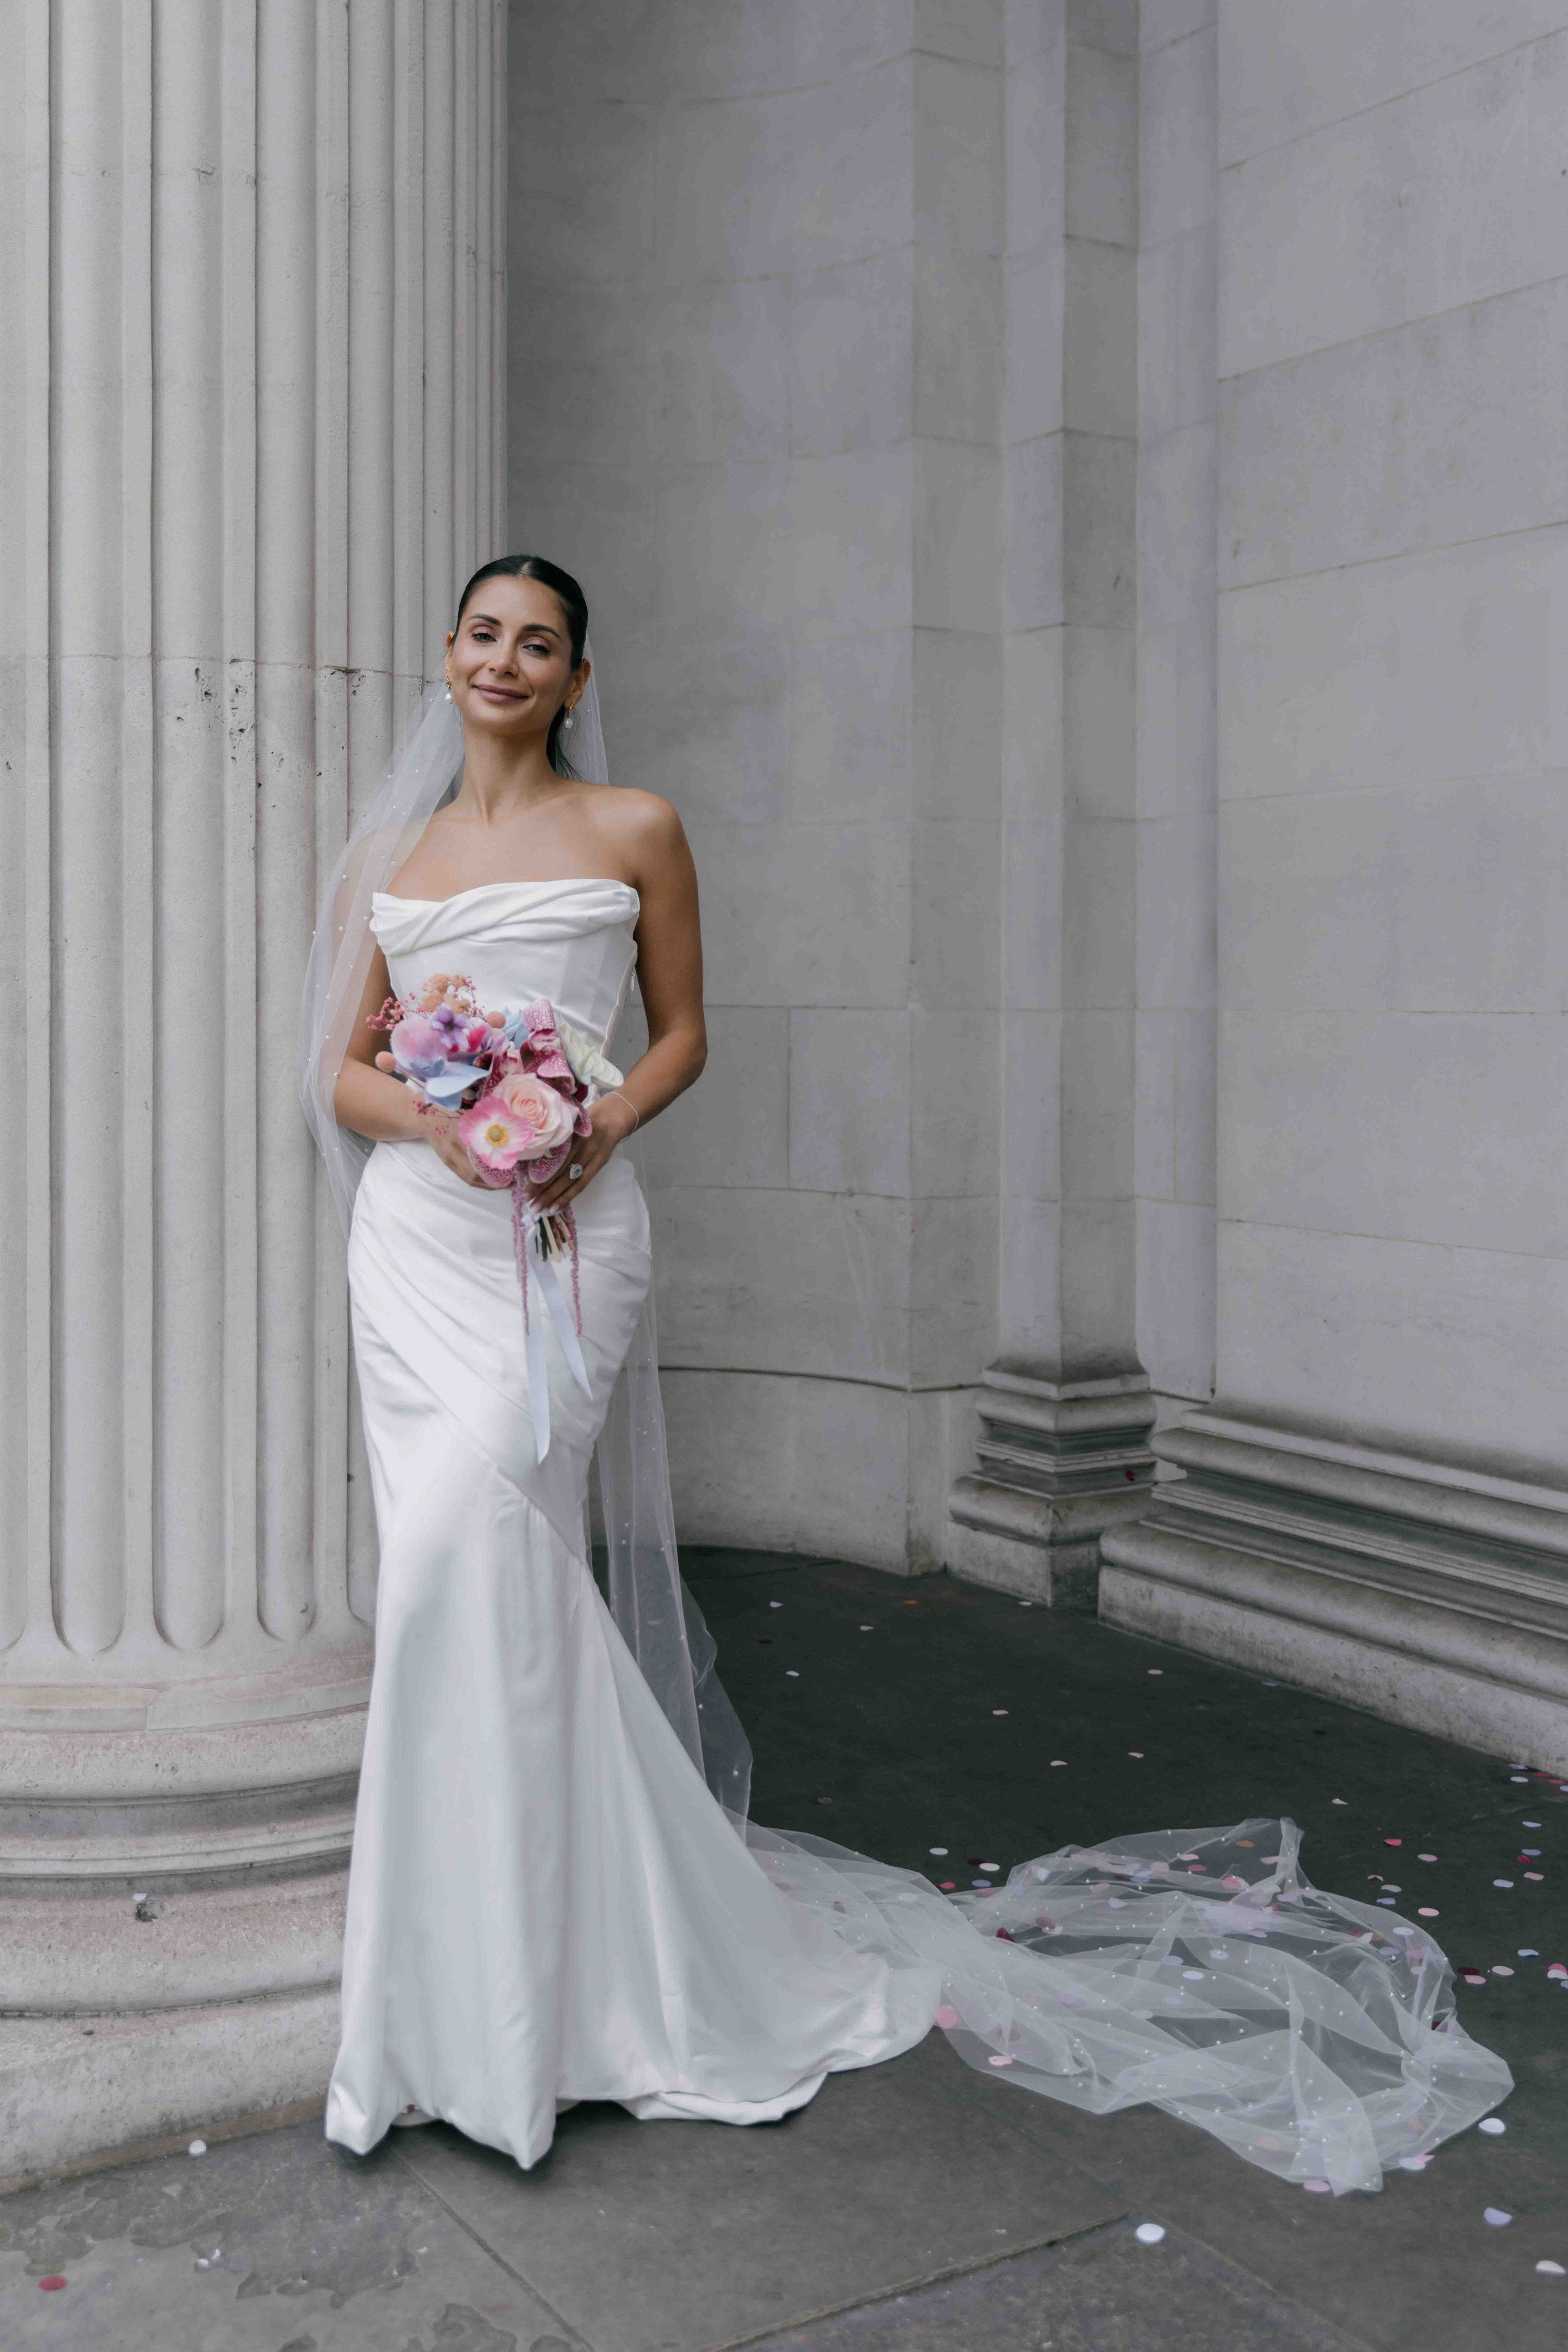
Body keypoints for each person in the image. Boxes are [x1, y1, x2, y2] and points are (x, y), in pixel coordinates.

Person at [301, 553, 1510, 2193]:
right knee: (462, 1587)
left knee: (478, 1560)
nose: (507, 660)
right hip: (419, 1249)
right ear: (447, 657)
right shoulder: (395, 851)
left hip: (561, 1250)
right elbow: (345, 1074)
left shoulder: (635, 825)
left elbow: (682, 1036)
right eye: (485, 635)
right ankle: (472, 2002)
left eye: (542, 644)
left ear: (579, 679)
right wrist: (446, 1124)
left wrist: (592, 1125)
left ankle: (548, 1992)